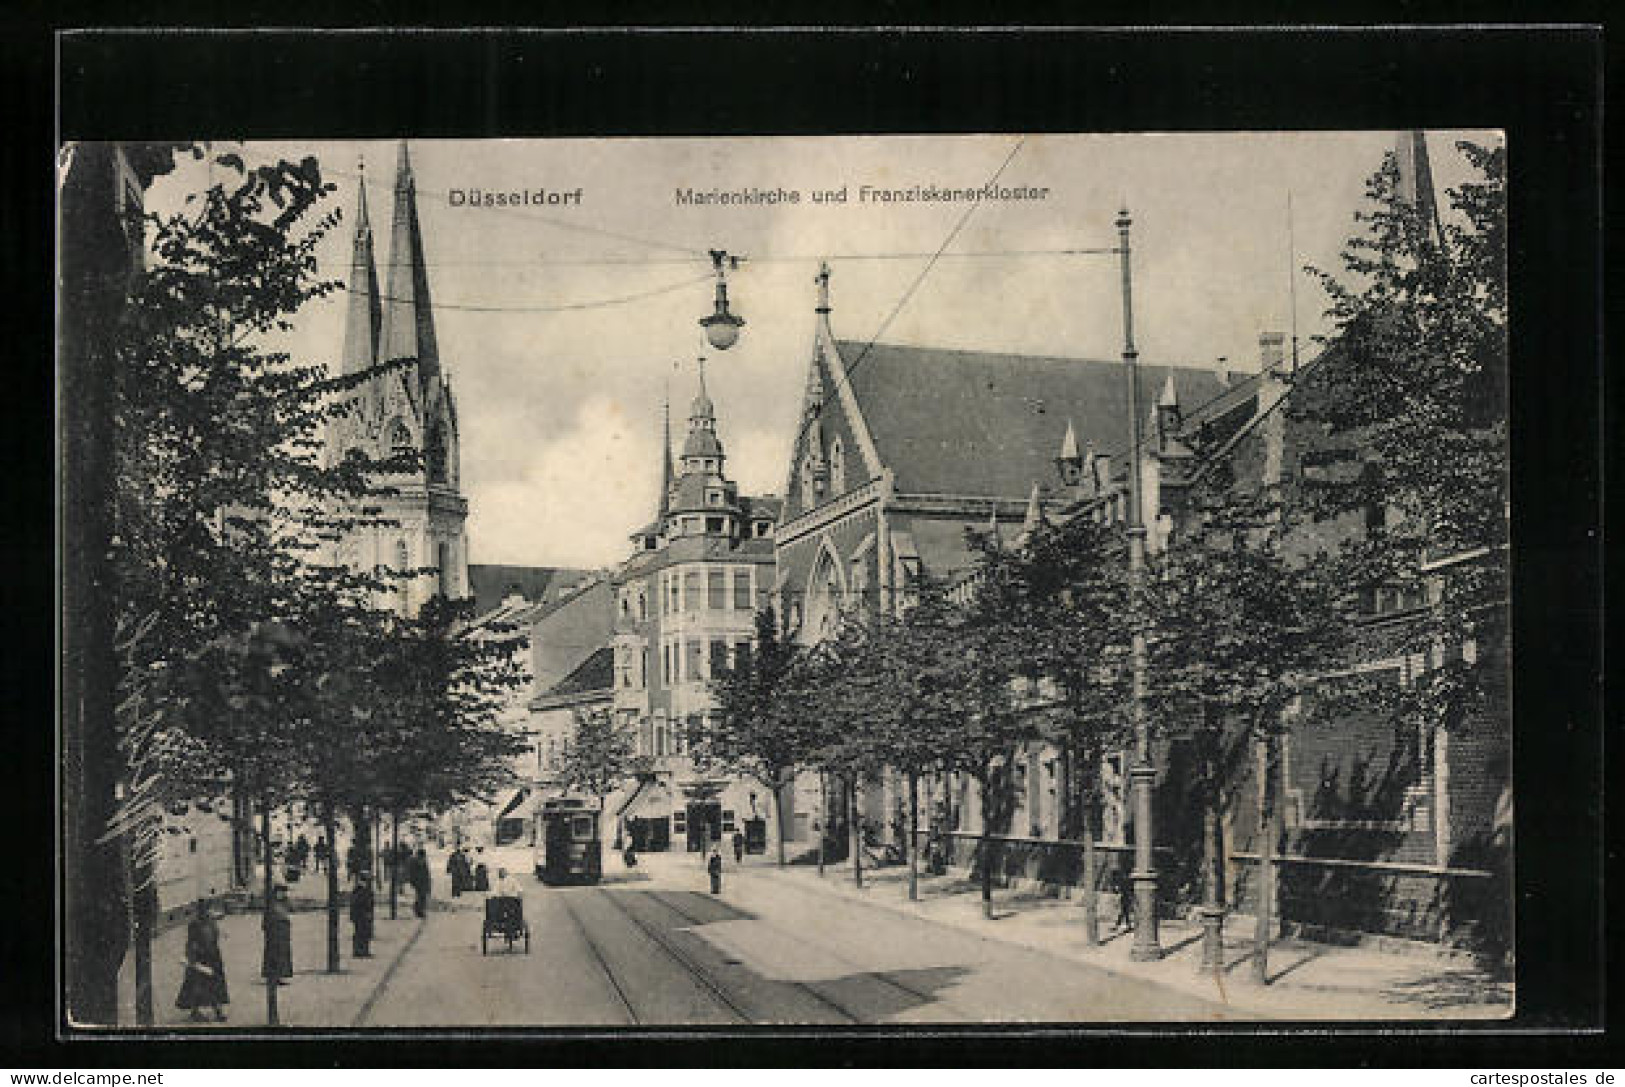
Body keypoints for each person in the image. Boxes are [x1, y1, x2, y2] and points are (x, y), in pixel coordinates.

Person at [175, 898, 228, 1022]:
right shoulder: (194, 924)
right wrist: (192, 958)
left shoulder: (211, 922)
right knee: (197, 986)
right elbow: (190, 942)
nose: (208, 912)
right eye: (204, 910)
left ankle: (218, 1011)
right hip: (200, 958)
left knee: (215, 985)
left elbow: (214, 937)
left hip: (213, 957)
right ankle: (195, 1011)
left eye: (208, 910)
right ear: (200, 911)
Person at [261, 885, 293, 986]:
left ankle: (280, 976)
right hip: (274, 932)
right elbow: (266, 921)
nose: (282, 894)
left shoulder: (284, 903)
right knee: (272, 953)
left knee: (283, 954)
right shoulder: (271, 904)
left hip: (283, 932)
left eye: (284, 892)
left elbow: (290, 910)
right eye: (280, 892)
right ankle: (271, 976)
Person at [349, 870, 375, 957]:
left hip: (363, 914)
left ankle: (363, 950)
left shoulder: (362, 889)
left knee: (364, 932)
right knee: (361, 932)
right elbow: (358, 902)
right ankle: (359, 951)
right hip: (361, 914)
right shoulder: (360, 889)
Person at [408, 846, 431, 918]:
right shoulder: (414, 861)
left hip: (422, 882)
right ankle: (418, 910)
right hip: (419, 882)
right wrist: (413, 881)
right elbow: (412, 873)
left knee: (422, 896)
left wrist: (428, 882)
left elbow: (426, 872)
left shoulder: (422, 862)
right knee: (421, 896)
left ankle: (419, 910)